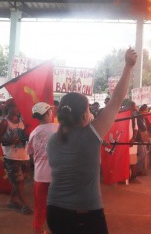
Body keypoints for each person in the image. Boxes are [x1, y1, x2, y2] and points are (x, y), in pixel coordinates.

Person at [46, 48, 137, 233]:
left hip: (55, 212)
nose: (92, 114)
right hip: (84, 216)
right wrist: (128, 66)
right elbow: (117, 100)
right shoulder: (90, 136)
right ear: (82, 117)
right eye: (89, 111)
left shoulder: (53, 140)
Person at [27, 102, 58, 234]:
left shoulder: (33, 132)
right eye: (50, 111)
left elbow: (30, 154)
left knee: (40, 207)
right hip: (57, 175)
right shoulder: (58, 128)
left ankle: (37, 231)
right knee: (58, 206)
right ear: (47, 113)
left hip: (40, 175)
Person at [0, 98, 33, 215]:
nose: (17, 109)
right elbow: (1, 139)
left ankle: (11, 201)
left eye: (18, 106)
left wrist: (26, 136)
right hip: (11, 156)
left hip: (24, 155)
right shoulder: (4, 122)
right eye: (14, 106)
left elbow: (22, 137)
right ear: (9, 108)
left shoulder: (21, 121)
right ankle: (24, 204)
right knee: (18, 181)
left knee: (19, 180)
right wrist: (10, 140)